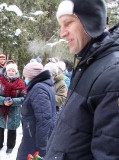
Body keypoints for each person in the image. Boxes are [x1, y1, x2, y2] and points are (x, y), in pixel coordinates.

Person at [45, 0, 119, 159]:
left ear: (91, 20)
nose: (62, 33)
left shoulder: (112, 74)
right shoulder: (88, 65)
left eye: (68, 23)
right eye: (60, 26)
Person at [17, 62, 56, 159]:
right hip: (31, 135)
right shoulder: (42, 85)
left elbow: (44, 119)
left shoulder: (38, 89)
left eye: (25, 76)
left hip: (34, 140)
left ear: (31, 76)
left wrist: (41, 146)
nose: (25, 78)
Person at [0, 63, 26, 154]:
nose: (11, 72)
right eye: (9, 70)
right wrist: (3, 100)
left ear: (16, 72)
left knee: (12, 129)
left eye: (13, 70)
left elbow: (24, 98)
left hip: (14, 110)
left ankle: (10, 146)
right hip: (0, 108)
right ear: (6, 71)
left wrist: (13, 102)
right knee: (0, 127)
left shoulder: (21, 83)